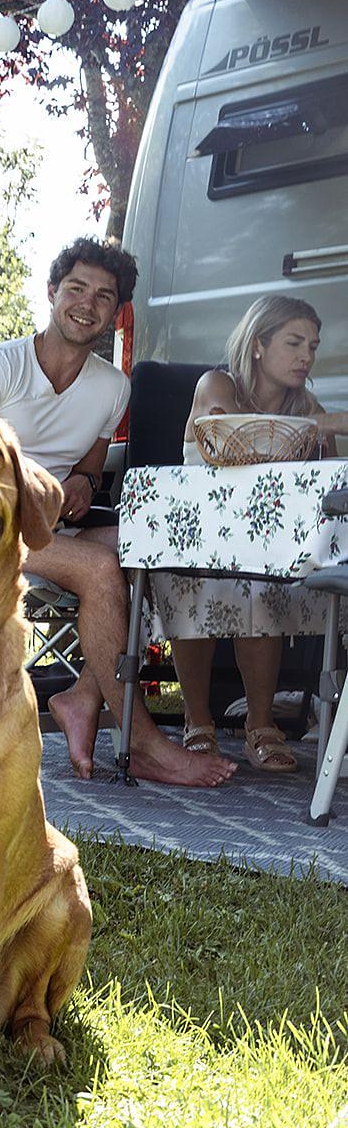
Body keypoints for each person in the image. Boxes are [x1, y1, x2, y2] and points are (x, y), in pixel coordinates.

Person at [0, 236, 234, 787]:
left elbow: (90, 467)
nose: (88, 304)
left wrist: (79, 481)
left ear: (116, 311)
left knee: (151, 545)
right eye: (76, 288)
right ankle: (142, 741)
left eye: (104, 296)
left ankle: (82, 698)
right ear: (52, 292)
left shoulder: (112, 386)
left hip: (53, 529)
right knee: (100, 570)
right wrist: (36, 497)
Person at [164, 295, 348, 772]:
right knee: (199, 582)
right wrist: (320, 425)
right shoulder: (216, 383)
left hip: (265, 548)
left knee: (259, 582)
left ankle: (260, 725)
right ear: (259, 344)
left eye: (312, 344)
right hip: (196, 537)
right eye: (293, 342)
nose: (307, 355)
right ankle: (198, 721)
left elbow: (323, 476)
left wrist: (322, 433)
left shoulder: (304, 404)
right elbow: (238, 442)